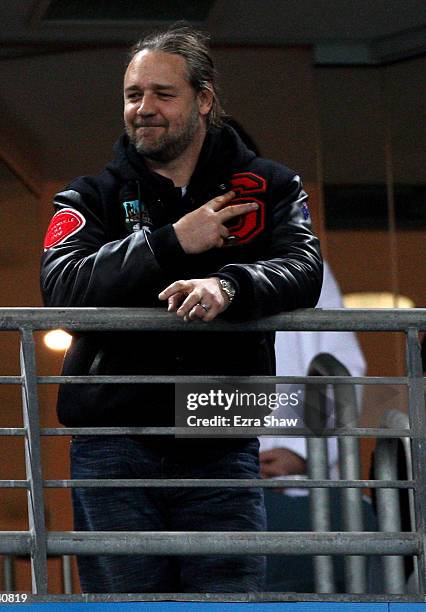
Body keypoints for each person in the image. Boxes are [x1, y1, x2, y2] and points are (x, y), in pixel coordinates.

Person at [40, 25, 323, 593]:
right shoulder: (89, 196)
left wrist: (232, 286)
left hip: (220, 423)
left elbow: (304, 269)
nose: (143, 109)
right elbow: (60, 287)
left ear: (204, 100)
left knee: (228, 601)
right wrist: (171, 241)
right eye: (133, 94)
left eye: (162, 94)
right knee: (124, 605)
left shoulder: (270, 188)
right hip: (114, 434)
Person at [259, 260, 367, 484]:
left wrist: (302, 453)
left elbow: (339, 370)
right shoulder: (181, 257)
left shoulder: (304, 262)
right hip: (202, 479)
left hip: (302, 486)